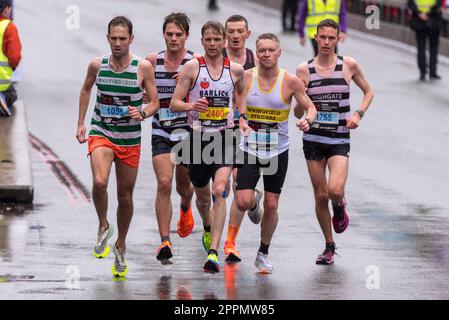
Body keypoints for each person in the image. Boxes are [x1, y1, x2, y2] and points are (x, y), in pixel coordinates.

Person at [76, 16, 159, 277]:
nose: (118, 43)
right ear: (108, 38)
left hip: (129, 138)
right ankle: (103, 225)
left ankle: (120, 245)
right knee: (100, 182)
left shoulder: (142, 67)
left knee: (125, 196)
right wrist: (81, 123)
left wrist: (143, 113)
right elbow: (86, 89)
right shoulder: (97, 65)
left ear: (131, 40)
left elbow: (155, 102)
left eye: (123, 38)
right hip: (102, 131)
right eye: (114, 38)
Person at [235, 33, 317, 274]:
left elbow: (310, 108)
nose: (266, 55)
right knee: (242, 201)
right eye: (262, 51)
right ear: (256, 53)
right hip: (249, 147)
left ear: (279, 53)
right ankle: (253, 203)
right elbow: (236, 101)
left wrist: (307, 122)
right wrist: (240, 119)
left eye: (271, 50)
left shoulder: (290, 81)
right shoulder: (246, 77)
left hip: (277, 151)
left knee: (272, 205)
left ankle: (263, 252)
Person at [170, 21, 247, 273]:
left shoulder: (235, 70)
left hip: (224, 138)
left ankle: (213, 252)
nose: (213, 44)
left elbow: (240, 96)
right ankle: (206, 224)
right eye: (208, 40)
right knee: (202, 197)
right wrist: (192, 107)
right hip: (197, 139)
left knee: (221, 190)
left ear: (224, 41)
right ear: (202, 41)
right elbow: (174, 103)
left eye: (217, 40)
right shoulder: (193, 67)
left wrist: (242, 118)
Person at [296, 19, 374, 265]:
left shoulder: (347, 65)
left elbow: (369, 92)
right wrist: (303, 105)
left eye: (332, 38)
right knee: (320, 196)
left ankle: (339, 206)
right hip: (313, 139)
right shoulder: (304, 70)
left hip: (339, 138)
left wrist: (358, 114)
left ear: (338, 38)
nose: (327, 42)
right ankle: (329, 246)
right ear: (316, 38)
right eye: (323, 37)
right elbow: (298, 112)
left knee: (335, 191)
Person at [145, 13, 197, 264]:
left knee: (183, 188)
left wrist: (187, 85)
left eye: (178, 34)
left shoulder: (194, 63)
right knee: (164, 183)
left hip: (186, 132)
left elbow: (206, 98)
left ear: (186, 36)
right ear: (163, 35)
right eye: (169, 34)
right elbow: (142, 94)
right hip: (161, 129)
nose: (173, 38)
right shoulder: (152, 62)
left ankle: (186, 207)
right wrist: (142, 104)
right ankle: (165, 240)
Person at [222, 14, 259, 263]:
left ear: (248, 34)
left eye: (239, 31)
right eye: (231, 31)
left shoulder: (256, 59)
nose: (235, 36)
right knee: (221, 186)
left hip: (247, 127)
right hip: (220, 128)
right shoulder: (218, 56)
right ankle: (253, 199)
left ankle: (230, 242)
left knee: (238, 184)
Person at [408, 0, 443, 81]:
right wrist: (428, 14)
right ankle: (432, 73)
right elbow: (438, 4)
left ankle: (422, 73)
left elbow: (410, 4)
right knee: (433, 49)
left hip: (419, 22)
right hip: (433, 21)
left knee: (421, 48)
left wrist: (420, 14)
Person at [0, 0, 21, 116]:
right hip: (1, 84)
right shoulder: (9, 27)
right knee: (12, 94)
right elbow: (14, 57)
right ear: (6, 10)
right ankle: (2, 97)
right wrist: (12, 66)